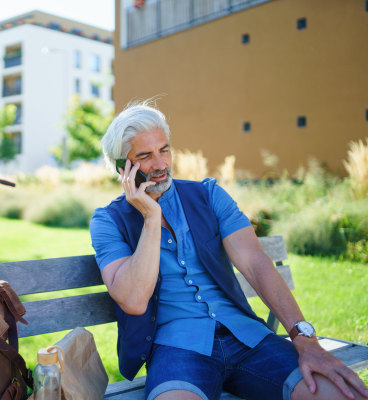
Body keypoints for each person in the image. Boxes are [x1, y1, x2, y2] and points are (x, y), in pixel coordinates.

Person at [90, 101, 368, 400]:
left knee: (342, 395)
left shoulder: (209, 195)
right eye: (145, 156)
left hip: (247, 338)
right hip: (177, 349)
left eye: (164, 150)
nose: (160, 164)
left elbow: (255, 264)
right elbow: (133, 299)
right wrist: (151, 219)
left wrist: (305, 339)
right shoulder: (107, 221)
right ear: (123, 168)